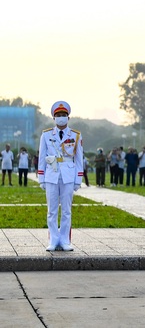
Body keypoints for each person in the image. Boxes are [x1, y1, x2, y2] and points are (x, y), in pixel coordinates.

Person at [37, 101, 84, 252]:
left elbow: (78, 159)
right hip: (51, 174)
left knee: (66, 210)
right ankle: (53, 239)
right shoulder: (46, 135)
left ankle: (65, 240)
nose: (61, 118)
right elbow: (42, 157)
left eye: (64, 115)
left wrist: (78, 179)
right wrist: (41, 177)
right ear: (54, 118)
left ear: (68, 118)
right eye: (58, 115)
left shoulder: (75, 135)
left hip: (68, 175)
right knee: (51, 210)